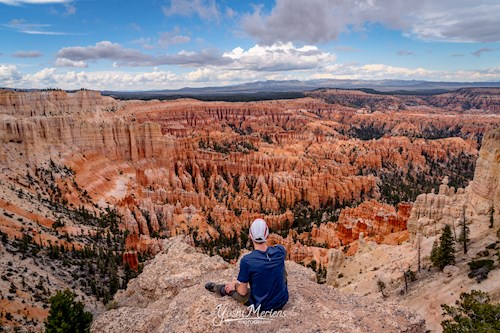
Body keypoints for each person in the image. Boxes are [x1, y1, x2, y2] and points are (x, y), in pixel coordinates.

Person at [205, 218, 289, 311]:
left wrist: (235, 285)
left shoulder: (247, 261)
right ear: (268, 235)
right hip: (282, 300)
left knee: (231, 289)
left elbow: (242, 292)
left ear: (250, 236)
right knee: (279, 264)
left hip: (262, 306)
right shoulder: (280, 250)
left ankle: (217, 288)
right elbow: (279, 250)